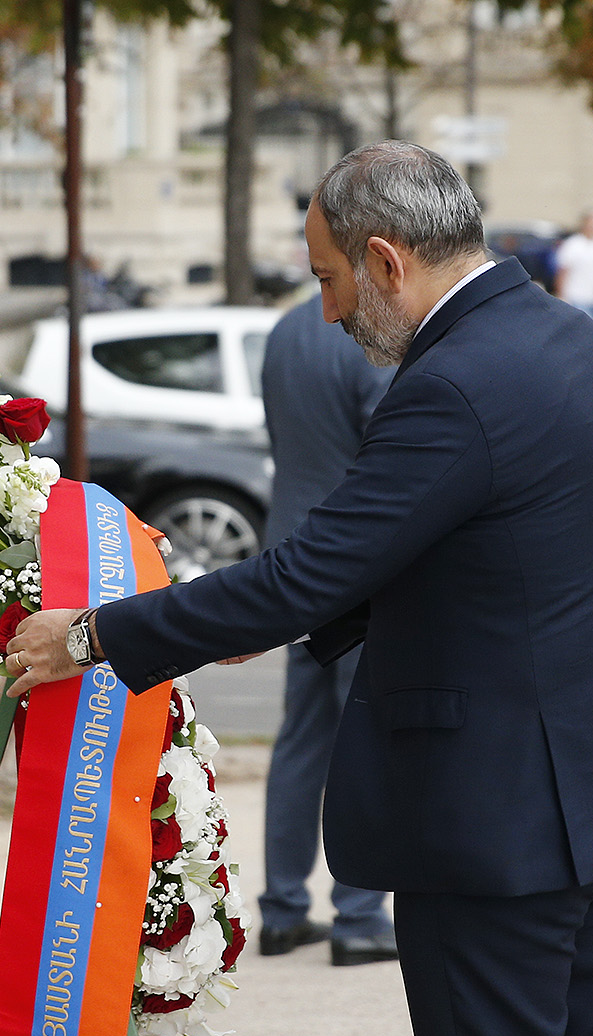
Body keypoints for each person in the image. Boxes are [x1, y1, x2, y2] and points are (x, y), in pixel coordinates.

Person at [4, 141, 593, 1036]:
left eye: (326, 278)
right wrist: (283, 614)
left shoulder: (448, 385)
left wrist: (93, 635)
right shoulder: (567, 337)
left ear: (383, 261)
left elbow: (308, 569)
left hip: (498, 821)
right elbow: (505, 553)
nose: (325, 308)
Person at [256, 294, 398, 967]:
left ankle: (282, 910)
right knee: (367, 737)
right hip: (354, 560)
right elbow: (390, 450)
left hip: (291, 553)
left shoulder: (284, 332)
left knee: (301, 737)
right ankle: (360, 913)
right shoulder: (369, 335)